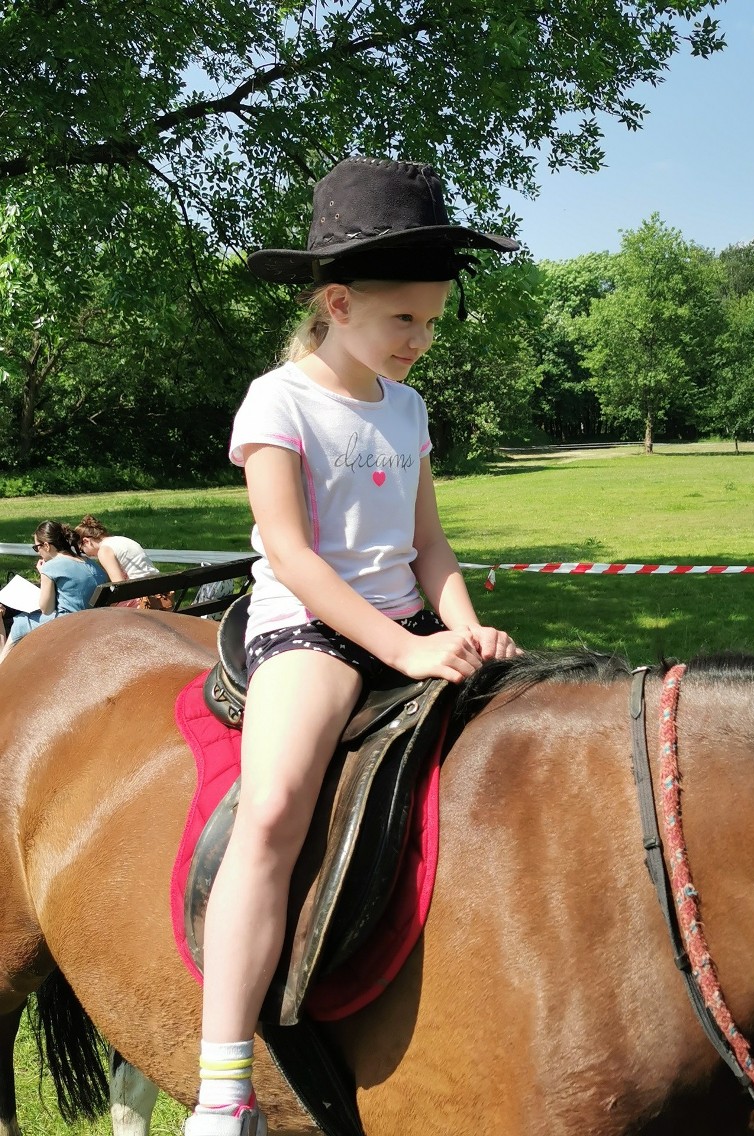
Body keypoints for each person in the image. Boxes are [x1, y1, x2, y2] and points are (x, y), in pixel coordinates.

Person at [184, 156, 521, 1136]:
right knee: (278, 804)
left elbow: (427, 544)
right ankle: (222, 1082)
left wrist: (461, 625)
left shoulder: (405, 407)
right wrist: (406, 650)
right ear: (337, 302)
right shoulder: (276, 403)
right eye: (404, 320)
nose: (421, 341)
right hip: (306, 623)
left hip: (406, 623)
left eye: (432, 320)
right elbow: (292, 550)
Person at [0, 520, 108, 664]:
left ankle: (3, 666)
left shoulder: (51, 567)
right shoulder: (88, 561)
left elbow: (47, 609)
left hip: (69, 621)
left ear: (46, 545)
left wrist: (44, 573)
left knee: (20, 622)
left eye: (36, 547)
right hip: (95, 615)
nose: (38, 552)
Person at [73, 514, 171, 609]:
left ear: (86, 541)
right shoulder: (121, 540)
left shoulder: (104, 551)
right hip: (159, 593)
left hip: (140, 599)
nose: (87, 555)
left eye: (82, 550)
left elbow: (119, 586)